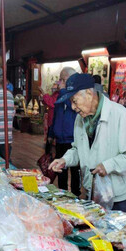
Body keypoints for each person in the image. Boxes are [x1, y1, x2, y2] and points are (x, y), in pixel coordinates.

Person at [49, 73, 126, 213]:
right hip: (95, 192)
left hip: (121, 196)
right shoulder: (80, 119)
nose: (73, 107)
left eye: (74, 101)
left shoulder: (121, 115)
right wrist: (65, 159)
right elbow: (78, 149)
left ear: (89, 93)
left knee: (120, 234)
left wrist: (108, 165)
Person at [44, 67, 81, 196]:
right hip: (60, 139)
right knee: (61, 169)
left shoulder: (75, 95)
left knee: (75, 170)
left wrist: (64, 89)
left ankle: (76, 194)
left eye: (61, 79)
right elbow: (55, 115)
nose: (59, 82)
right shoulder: (60, 95)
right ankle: (63, 194)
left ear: (66, 79)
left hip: (73, 139)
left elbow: (71, 105)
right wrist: (51, 133)